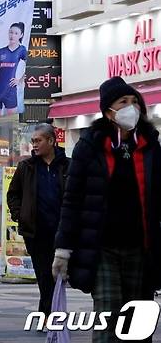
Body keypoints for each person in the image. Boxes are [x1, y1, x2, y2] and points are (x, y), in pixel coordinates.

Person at [52, 77, 161, 343]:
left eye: (135, 101)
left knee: (137, 322)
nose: (131, 107)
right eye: (123, 102)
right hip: (102, 248)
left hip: (140, 246)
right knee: (109, 315)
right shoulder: (90, 147)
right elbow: (72, 200)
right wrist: (63, 250)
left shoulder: (149, 146)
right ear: (108, 111)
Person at [7, 123, 69, 319]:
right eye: (33, 141)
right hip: (36, 231)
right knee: (44, 274)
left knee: (60, 274)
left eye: (38, 140)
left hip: (63, 230)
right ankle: (50, 315)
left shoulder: (69, 165)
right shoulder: (27, 167)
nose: (34, 144)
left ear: (51, 141)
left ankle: (52, 313)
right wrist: (20, 214)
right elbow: (13, 194)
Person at [0, 22, 27, 116]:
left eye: (16, 33)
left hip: (11, 91)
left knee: (12, 121)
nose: (12, 35)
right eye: (11, 32)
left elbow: (30, 66)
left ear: (21, 35)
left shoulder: (22, 50)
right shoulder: (0, 52)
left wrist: (19, 80)